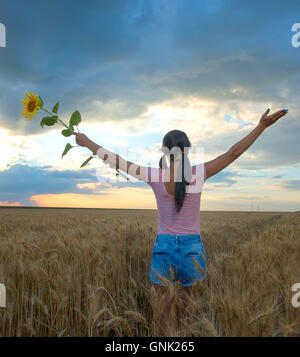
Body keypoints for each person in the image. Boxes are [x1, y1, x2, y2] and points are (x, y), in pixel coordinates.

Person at [71, 108, 288, 335]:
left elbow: (118, 161)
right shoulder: (200, 173)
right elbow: (233, 153)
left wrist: (88, 143)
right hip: (192, 249)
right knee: (189, 317)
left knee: (163, 319)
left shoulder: (155, 175)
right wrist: (261, 127)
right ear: (187, 151)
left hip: (163, 246)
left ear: (164, 151)